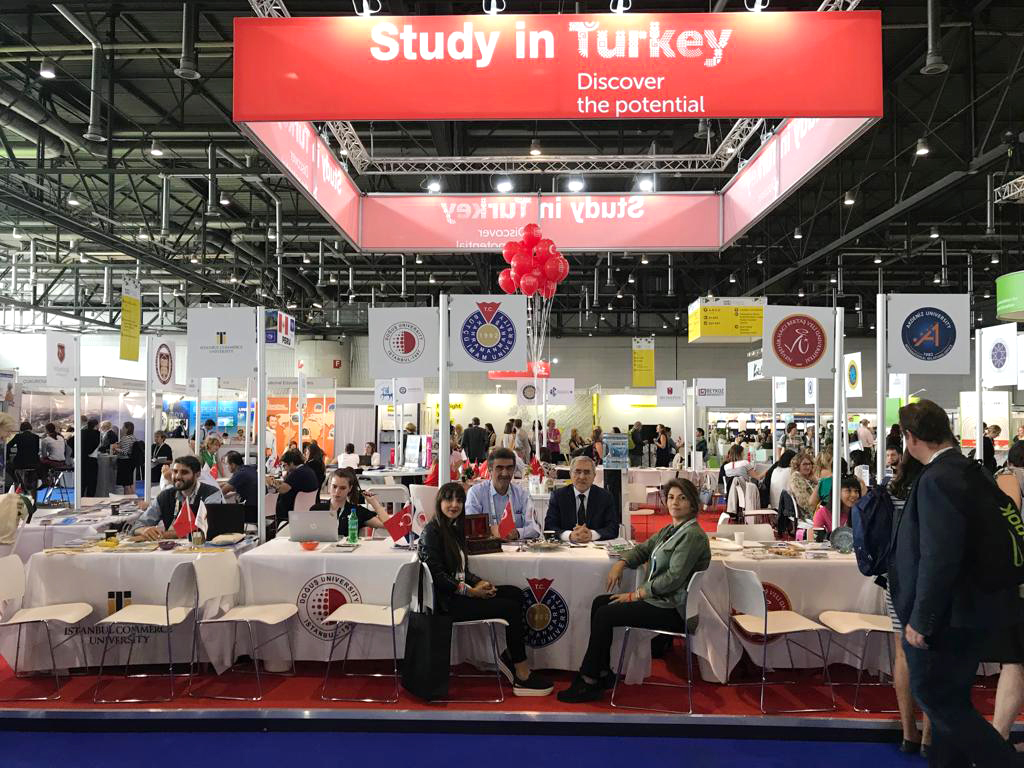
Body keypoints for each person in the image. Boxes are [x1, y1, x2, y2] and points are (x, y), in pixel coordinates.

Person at [889, 400, 1023, 767]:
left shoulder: (938, 479)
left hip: (947, 616)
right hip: (971, 609)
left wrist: (922, 618)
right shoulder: (972, 472)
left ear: (910, 438)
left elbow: (940, 554)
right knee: (952, 701)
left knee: (938, 699)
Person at [557, 478, 711, 703]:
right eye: (671, 497)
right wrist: (621, 563)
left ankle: (588, 679)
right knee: (600, 603)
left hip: (673, 609)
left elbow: (672, 579)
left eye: (682, 498)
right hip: (660, 601)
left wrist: (635, 595)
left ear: (693, 503)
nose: (675, 502)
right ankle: (601, 672)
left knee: (605, 613)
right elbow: (642, 550)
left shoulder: (692, 536)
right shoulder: (671, 530)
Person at [419, 481, 553, 696]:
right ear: (439, 502)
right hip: (447, 603)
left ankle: (511, 655)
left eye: (459, 500)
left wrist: (479, 582)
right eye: (449, 499)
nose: (454, 505)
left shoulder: (453, 529)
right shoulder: (431, 532)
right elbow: (437, 576)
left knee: (516, 594)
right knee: (509, 608)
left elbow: (460, 570)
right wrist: (470, 591)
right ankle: (522, 673)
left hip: (459, 593)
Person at [885, 451, 931, 756]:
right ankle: (929, 735)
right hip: (928, 578)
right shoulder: (931, 489)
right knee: (930, 653)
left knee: (902, 652)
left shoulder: (893, 491)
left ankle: (908, 732)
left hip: (897, 577)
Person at [989, 442, 1024, 750]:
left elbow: (1004, 524)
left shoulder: (1008, 477)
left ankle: (997, 741)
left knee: (1013, 662)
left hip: (1017, 586)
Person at [130, 455, 223, 540]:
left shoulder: (211, 493)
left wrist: (162, 535)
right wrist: (143, 530)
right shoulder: (165, 495)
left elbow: (205, 528)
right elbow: (138, 525)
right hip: (170, 549)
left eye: (184, 472)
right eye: (175, 471)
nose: (178, 476)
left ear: (197, 475)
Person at [465, 447, 539, 541]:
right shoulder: (476, 493)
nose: (505, 473)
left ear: (514, 469)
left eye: (509, 468)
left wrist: (517, 533)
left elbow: (535, 528)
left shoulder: (522, 494)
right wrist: (491, 530)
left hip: (517, 548)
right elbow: (471, 529)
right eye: (499, 468)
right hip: (487, 548)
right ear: (490, 470)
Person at [544, 456, 619, 542]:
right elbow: (549, 527)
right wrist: (570, 535)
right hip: (567, 547)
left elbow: (613, 528)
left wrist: (591, 534)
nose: (582, 477)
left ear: (594, 476)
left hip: (595, 547)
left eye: (587, 472)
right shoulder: (558, 496)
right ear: (570, 474)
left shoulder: (605, 497)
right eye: (578, 472)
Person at [311, 468, 390, 535]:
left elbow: (390, 526)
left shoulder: (357, 512)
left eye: (342, 488)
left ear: (350, 488)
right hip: (321, 548)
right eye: (334, 486)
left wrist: (374, 503)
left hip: (348, 548)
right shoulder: (317, 509)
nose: (337, 491)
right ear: (329, 486)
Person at [267, 448, 320, 525]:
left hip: (291, 509)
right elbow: (288, 484)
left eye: (284, 465)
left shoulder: (297, 473)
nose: (284, 468)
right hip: (306, 507)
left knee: (270, 504)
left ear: (291, 463)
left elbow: (282, 490)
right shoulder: (307, 470)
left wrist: (271, 482)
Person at [220, 450, 258, 517]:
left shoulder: (240, 474)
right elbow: (228, 483)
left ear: (233, 465)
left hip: (250, 510)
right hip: (257, 507)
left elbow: (222, 492)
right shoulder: (247, 469)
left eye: (227, 464)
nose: (226, 467)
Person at [6, 421, 40, 493]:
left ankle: (18, 481)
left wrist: (8, 458)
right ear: (30, 428)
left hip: (20, 463)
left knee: (8, 467)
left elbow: (8, 446)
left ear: (21, 428)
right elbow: (37, 450)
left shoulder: (18, 436)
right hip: (33, 463)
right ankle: (29, 482)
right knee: (31, 469)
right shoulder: (36, 437)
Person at [786, 450, 818, 524]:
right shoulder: (796, 479)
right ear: (797, 465)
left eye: (809, 464)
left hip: (815, 510)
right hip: (808, 516)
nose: (808, 467)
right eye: (804, 464)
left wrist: (815, 481)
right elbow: (805, 503)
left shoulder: (808, 478)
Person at [114, 421, 138, 495]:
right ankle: (132, 498)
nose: (121, 428)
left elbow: (125, 452)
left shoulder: (125, 438)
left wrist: (116, 449)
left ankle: (127, 499)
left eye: (123, 427)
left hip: (124, 462)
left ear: (127, 429)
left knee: (126, 485)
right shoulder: (133, 437)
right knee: (130, 484)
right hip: (130, 462)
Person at [80, 418, 101, 497]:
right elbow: (94, 446)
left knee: (82, 481)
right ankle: (90, 499)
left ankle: (80, 498)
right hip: (92, 460)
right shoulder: (97, 434)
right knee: (92, 482)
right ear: (96, 425)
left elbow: (70, 441)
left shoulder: (82, 432)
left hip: (82, 459)